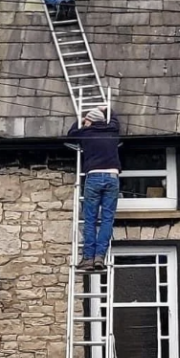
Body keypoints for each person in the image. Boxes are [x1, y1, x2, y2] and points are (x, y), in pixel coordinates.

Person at [67, 107, 120, 272]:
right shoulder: (112, 131)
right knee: (107, 219)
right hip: (112, 177)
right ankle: (100, 257)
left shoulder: (86, 133)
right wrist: (108, 108)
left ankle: (88, 258)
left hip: (94, 177)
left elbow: (71, 133)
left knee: (89, 219)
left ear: (91, 121)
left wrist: (81, 119)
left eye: (88, 121)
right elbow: (115, 121)